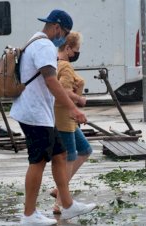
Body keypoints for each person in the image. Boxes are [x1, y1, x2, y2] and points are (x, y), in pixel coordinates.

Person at [9, 9, 96, 225]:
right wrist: (73, 108)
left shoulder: (35, 41)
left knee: (60, 154)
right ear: (57, 27)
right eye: (65, 33)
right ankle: (29, 215)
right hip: (34, 113)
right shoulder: (44, 45)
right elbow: (51, 80)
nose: (64, 38)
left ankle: (67, 205)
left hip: (39, 113)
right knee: (37, 162)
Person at [51, 31, 93, 214]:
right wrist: (79, 100)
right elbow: (63, 91)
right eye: (76, 50)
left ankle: (59, 189)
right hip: (64, 116)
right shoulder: (66, 66)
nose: (77, 53)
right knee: (70, 157)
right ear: (67, 48)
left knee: (85, 150)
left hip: (62, 117)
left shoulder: (53, 63)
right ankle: (61, 203)